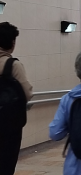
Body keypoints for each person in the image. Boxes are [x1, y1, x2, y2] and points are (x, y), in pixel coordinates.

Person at [0, 22, 33, 175]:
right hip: (9, 127)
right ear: (12, 43)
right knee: (6, 164)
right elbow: (26, 93)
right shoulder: (13, 65)